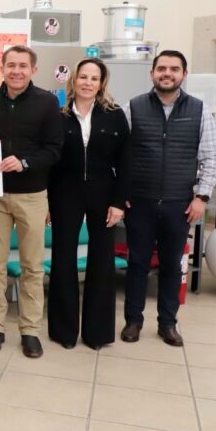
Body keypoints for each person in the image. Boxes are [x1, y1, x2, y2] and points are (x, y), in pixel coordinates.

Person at [121, 50, 216, 346]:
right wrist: (121, 192)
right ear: (152, 73)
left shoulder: (199, 110)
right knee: (137, 264)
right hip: (140, 202)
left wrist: (202, 197)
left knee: (171, 266)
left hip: (180, 204)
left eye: (174, 69)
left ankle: (167, 323)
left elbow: (212, 157)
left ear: (183, 74)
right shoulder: (133, 108)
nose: (167, 73)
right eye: (162, 68)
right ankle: (133, 321)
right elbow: (118, 155)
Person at [0, 45, 64, 358]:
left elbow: (54, 149)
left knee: (32, 267)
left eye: (22, 66)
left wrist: (25, 162)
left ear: (33, 70)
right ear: (2, 68)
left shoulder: (47, 102)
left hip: (33, 194)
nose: (16, 71)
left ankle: (30, 330)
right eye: (11, 65)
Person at [47, 59, 130, 350]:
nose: (88, 83)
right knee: (63, 259)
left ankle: (97, 334)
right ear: (74, 80)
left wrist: (119, 202)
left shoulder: (114, 115)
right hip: (64, 193)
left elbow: (126, 161)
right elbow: (50, 162)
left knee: (102, 260)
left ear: (101, 83)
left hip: (103, 194)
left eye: (94, 78)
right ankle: (64, 332)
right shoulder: (59, 115)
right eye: (83, 77)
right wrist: (47, 200)